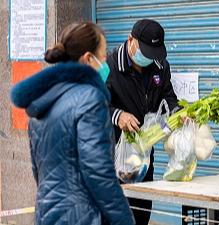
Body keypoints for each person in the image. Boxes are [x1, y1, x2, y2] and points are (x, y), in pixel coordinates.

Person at [10, 22, 134, 225]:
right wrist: (123, 219)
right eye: (102, 56)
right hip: (81, 216)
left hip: (47, 213)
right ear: (88, 58)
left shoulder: (43, 101)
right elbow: (97, 170)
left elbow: (39, 170)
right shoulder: (89, 98)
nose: (105, 62)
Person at [106, 19, 179, 224]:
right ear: (131, 40)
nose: (149, 58)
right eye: (146, 52)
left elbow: (168, 96)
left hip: (144, 156)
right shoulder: (107, 67)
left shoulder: (159, 66)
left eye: (153, 53)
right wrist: (117, 116)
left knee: (141, 214)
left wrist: (177, 111)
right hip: (114, 156)